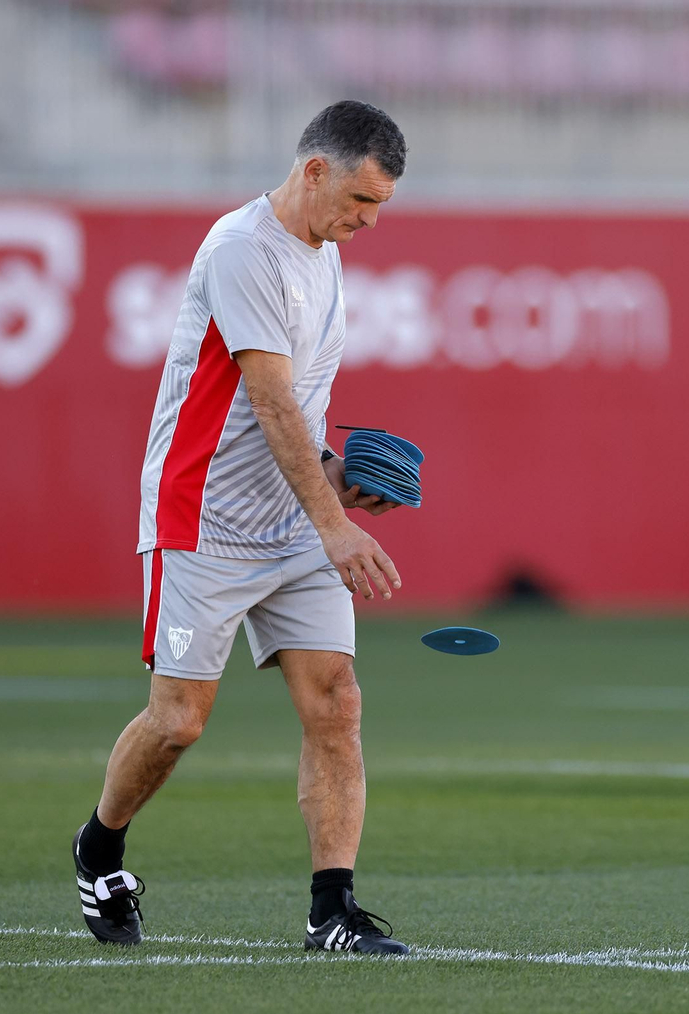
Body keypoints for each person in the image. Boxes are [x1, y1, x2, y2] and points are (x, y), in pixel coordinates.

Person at [71, 100, 414, 954]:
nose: (369, 221)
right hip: (202, 517)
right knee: (179, 720)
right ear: (314, 171)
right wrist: (335, 526)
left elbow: (301, 411)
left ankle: (332, 912)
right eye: (361, 200)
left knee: (336, 703)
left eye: (379, 206)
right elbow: (266, 400)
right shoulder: (240, 250)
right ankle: (99, 849)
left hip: (291, 522)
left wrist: (336, 481)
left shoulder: (325, 256)